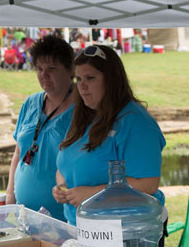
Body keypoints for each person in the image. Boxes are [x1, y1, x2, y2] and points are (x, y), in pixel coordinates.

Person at [53, 45, 167, 236]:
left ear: (111, 80)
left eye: (90, 78)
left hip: (126, 232)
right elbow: (65, 165)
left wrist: (93, 194)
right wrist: (61, 187)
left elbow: (148, 184)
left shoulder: (136, 122)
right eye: (78, 79)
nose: (82, 86)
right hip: (81, 227)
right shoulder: (83, 117)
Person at [5, 35, 75, 221]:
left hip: (64, 219)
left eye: (52, 68)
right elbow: (18, 153)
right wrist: (10, 194)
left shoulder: (83, 110)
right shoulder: (30, 103)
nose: (44, 75)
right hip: (24, 215)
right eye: (40, 68)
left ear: (70, 70)